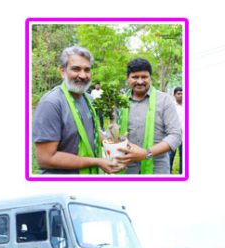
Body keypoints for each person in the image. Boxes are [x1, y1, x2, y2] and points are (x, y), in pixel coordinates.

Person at [33, 46, 123, 175]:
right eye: (76, 69)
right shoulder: (52, 103)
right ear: (62, 71)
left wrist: (114, 141)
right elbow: (46, 158)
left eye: (87, 70)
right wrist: (97, 161)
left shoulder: (88, 99)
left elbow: (92, 130)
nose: (82, 75)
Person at [115, 58, 182, 174]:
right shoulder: (120, 102)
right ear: (128, 78)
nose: (140, 81)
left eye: (144, 77)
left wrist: (146, 153)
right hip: (126, 168)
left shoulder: (165, 100)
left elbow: (175, 135)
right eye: (135, 77)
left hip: (157, 168)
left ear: (150, 78)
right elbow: (114, 133)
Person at [169, 86, 185, 174]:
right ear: (174, 95)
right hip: (173, 135)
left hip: (185, 136)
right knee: (171, 156)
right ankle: (168, 174)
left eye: (182, 93)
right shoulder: (171, 106)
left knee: (184, 157)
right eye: (178, 94)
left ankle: (181, 174)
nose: (181, 95)